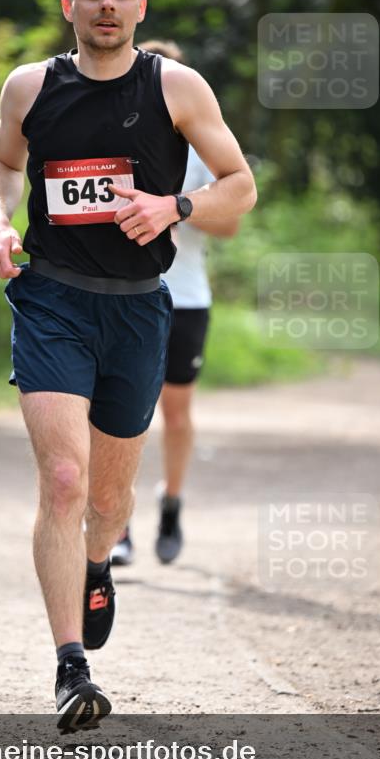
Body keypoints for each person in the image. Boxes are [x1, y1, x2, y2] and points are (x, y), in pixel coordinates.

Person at [0, 0, 257, 733]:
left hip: (137, 309)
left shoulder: (175, 87)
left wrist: (174, 206)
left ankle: (98, 561)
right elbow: (4, 162)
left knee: (106, 502)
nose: (107, 4)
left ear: (141, 7)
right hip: (52, 300)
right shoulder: (29, 86)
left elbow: (240, 184)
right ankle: (72, 667)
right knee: (64, 481)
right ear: (67, 6)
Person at [111, 39, 239, 568]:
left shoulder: (200, 149)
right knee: (114, 413)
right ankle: (117, 525)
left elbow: (230, 221)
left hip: (184, 298)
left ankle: (170, 503)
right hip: (121, 293)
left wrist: (173, 209)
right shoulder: (114, 142)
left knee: (176, 413)